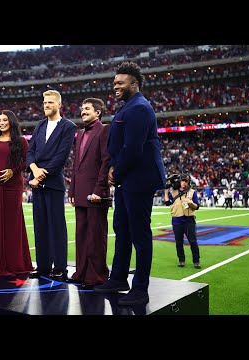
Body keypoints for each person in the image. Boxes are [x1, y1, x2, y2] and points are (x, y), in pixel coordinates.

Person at [94, 61, 166, 307]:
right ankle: (118, 279)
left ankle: (140, 289)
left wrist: (116, 170)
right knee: (122, 230)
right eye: (114, 82)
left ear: (133, 84)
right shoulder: (129, 106)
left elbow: (133, 149)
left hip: (138, 178)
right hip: (128, 178)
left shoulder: (139, 108)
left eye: (120, 82)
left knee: (139, 234)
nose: (115, 86)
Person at [26, 89, 77, 280]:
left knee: (56, 226)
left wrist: (38, 176)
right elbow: (30, 152)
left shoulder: (68, 126)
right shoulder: (39, 125)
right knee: (40, 226)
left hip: (53, 183)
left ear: (58, 104)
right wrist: (33, 169)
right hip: (36, 183)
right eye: (44, 102)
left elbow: (60, 157)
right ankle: (43, 266)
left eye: (49, 102)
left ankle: (60, 267)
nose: (46, 105)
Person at [0, 110, 34, 276]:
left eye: (5, 120)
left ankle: (15, 264)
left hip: (14, 186)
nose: (1, 123)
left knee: (13, 224)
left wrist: (13, 171)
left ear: (11, 121)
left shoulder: (21, 142)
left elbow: (26, 162)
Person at [67, 98, 111, 288]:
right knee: (81, 236)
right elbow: (76, 165)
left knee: (95, 236)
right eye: (82, 108)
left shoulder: (104, 130)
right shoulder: (79, 133)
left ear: (98, 112)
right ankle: (82, 272)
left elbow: (106, 161)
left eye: (87, 109)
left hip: (96, 193)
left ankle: (96, 276)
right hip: (81, 191)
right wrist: (72, 189)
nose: (83, 111)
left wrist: (99, 190)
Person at [163, 173, 201, 269]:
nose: (184, 183)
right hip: (177, 220)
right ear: (180, 181)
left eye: (186, 181)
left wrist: (190, 202)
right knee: (178, 242)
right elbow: (167, 203)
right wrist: (166, 192)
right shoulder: (174, 192)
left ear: (188, 182)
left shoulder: (192, 192)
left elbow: (197, 206)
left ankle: (196, 261)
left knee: (192, 241)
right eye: (182, 181)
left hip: (189, 220)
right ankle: (181, 260)